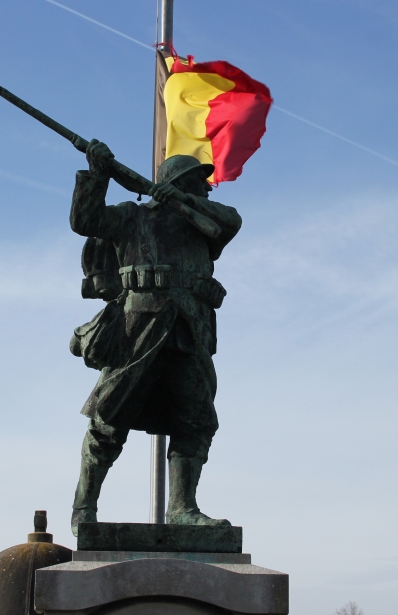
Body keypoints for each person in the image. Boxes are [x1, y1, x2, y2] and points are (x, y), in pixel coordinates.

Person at [67, 140, 242, 535]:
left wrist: (179, 198)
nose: (207, 188)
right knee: (109, 418)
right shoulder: (132, 216)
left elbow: (231, 221)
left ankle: (182, 508)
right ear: (180, 181)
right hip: (138, 326)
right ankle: (84, 507)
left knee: (196, 420)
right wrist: (98, 174)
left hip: (190, 328)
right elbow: (85, 221)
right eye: (200, 182)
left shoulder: (205, 224)